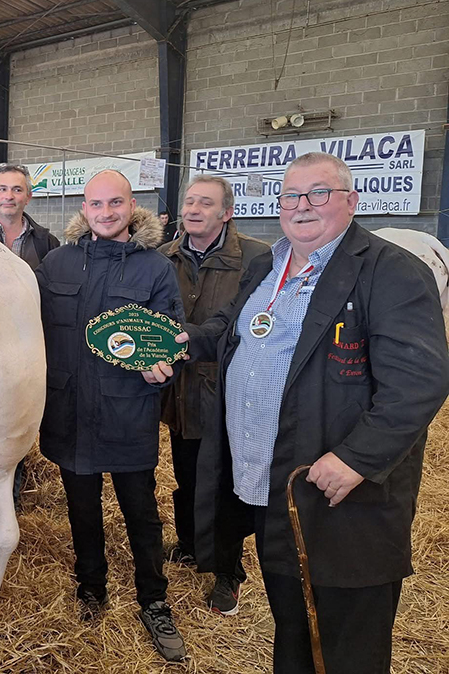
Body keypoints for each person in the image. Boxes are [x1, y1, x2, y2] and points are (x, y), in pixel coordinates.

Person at [164, 152, 449, 674]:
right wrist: (179, 342)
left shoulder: (389, 270)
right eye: (291, 196)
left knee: (347, 642)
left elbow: (419, 382)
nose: (302, 206)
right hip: (274, 490)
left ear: (351, 201)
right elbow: (229, 329)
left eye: (319, 193)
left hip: (342, 499)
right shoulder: (266, 266)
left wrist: (358, 458)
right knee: (293, 628)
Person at [35, 169, 187, 662]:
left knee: (140, 511)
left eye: (115, 203)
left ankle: (154, 599)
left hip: (127, 412)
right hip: (69, 411)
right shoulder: (57, 262)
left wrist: (160, 371)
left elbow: (170, 340)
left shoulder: (155, 269)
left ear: (131, 206)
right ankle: (91, 585)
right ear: (85, 209)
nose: (106, 212)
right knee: (81, 508)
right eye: (97, 204)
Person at [158, 175, 269, 616]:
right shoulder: (165, 257)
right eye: (189, 202)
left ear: (227, 213)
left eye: (205, 203)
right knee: (186, 473)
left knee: (224, 483)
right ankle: (189, 544)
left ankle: (228, 571)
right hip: (179, 388)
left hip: (227, 390)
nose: (193, 209)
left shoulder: (256, 258)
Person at [0, 163, 60, 507]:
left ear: (28, 196)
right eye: (2, 189)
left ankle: (9, 487)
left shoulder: (47, 242)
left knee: (15, 414)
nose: (9, 196)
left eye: (16, 189)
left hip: (27, 344)